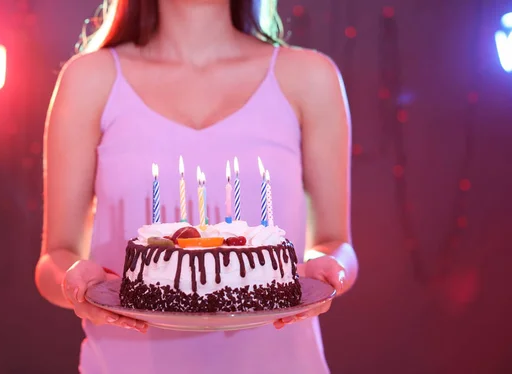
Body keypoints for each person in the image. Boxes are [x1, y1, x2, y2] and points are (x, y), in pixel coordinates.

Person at [35, 0, 359, 372]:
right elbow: (54, 259)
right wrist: (77, 284)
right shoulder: (89, 78)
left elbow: (338, 243)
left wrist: (328, 270)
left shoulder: (310, 77)